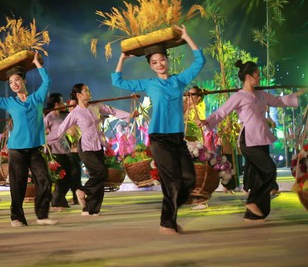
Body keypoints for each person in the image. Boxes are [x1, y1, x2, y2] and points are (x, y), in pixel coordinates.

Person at [112, 25, 205, 235]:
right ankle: (167, 222)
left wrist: (186, 36)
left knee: (189, 179)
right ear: (151, 66)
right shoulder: (149, 84)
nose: (159, 64)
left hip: (177, 138)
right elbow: (117, 81)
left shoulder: (179, 80)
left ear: (167, 60)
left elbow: (200, 61)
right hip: (159, 139)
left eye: (162, 59)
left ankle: (169, 217)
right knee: (171, 181)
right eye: (154, 62)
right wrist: (122, 59)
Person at [199, 60, 305, 223]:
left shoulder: (261, 94)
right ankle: (253, 201)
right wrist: (207, 121)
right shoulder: (239, 96)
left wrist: (297, 95)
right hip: (248, 139)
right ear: (248, 77)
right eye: (257, 75)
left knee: (259, 177)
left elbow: (279, 101)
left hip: (262, 138)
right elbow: (222, 112)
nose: (260, 77)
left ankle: (254, 215)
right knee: (269, 170)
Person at [0, 52, 57, 227]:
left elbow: (47, 82)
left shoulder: (36, 98)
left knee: (45, 179)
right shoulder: (9, 102)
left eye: (17, 80)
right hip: (16, 149)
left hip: (36, 148)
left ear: (24, 81)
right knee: (18, 185)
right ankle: (16, 217)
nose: (14, 84)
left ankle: (42, 215)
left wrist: (38, 64)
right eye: (11, 82)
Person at [46, 83, 133, 217]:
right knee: (101, 173)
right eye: (86, 90)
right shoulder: (74, 113)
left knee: (97, 178)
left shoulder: (96, 106)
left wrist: (130, 115)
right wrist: (43, 140)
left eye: (88, 89)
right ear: (79, 95)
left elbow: (113, 111)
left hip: (98, 146)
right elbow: (60, 131)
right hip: (85, 148)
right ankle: (83, 190)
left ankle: (90, 209)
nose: (89, 92)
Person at [43, 93, 73, 211]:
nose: (64, 104)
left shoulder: (63, 116)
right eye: (62, 102)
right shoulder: (49, 117)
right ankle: (58, 202)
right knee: (61, 177)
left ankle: (58, 199)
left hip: (65, 149)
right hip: (55, 151)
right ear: (56, 104)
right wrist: (49, 139)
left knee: (69, 176)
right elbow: (41, 133)